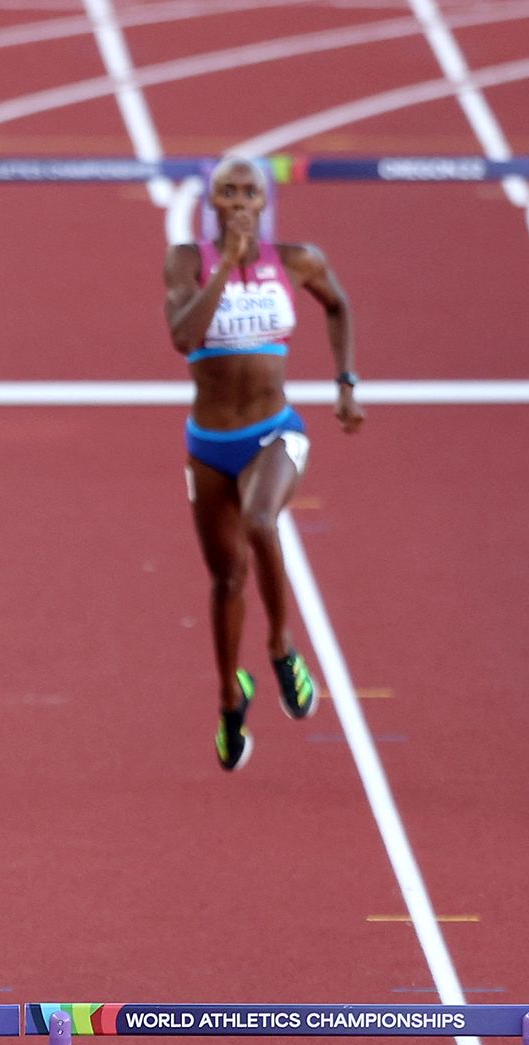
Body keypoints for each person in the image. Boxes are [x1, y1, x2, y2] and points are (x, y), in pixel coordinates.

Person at [163, 155, 360, 772]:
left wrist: (345, 382)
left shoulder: (297, 259)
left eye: (251, 191)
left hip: (276, 430)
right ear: (213, 203)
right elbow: (183, 337)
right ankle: (229, 699)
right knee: (225, 581)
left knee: (260, 522)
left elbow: (338, 305)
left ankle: (280, 644)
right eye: (230, 192)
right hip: (208, 446)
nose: (242, 201)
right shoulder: (186, 261)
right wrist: (225, 263)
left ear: (265, 201)